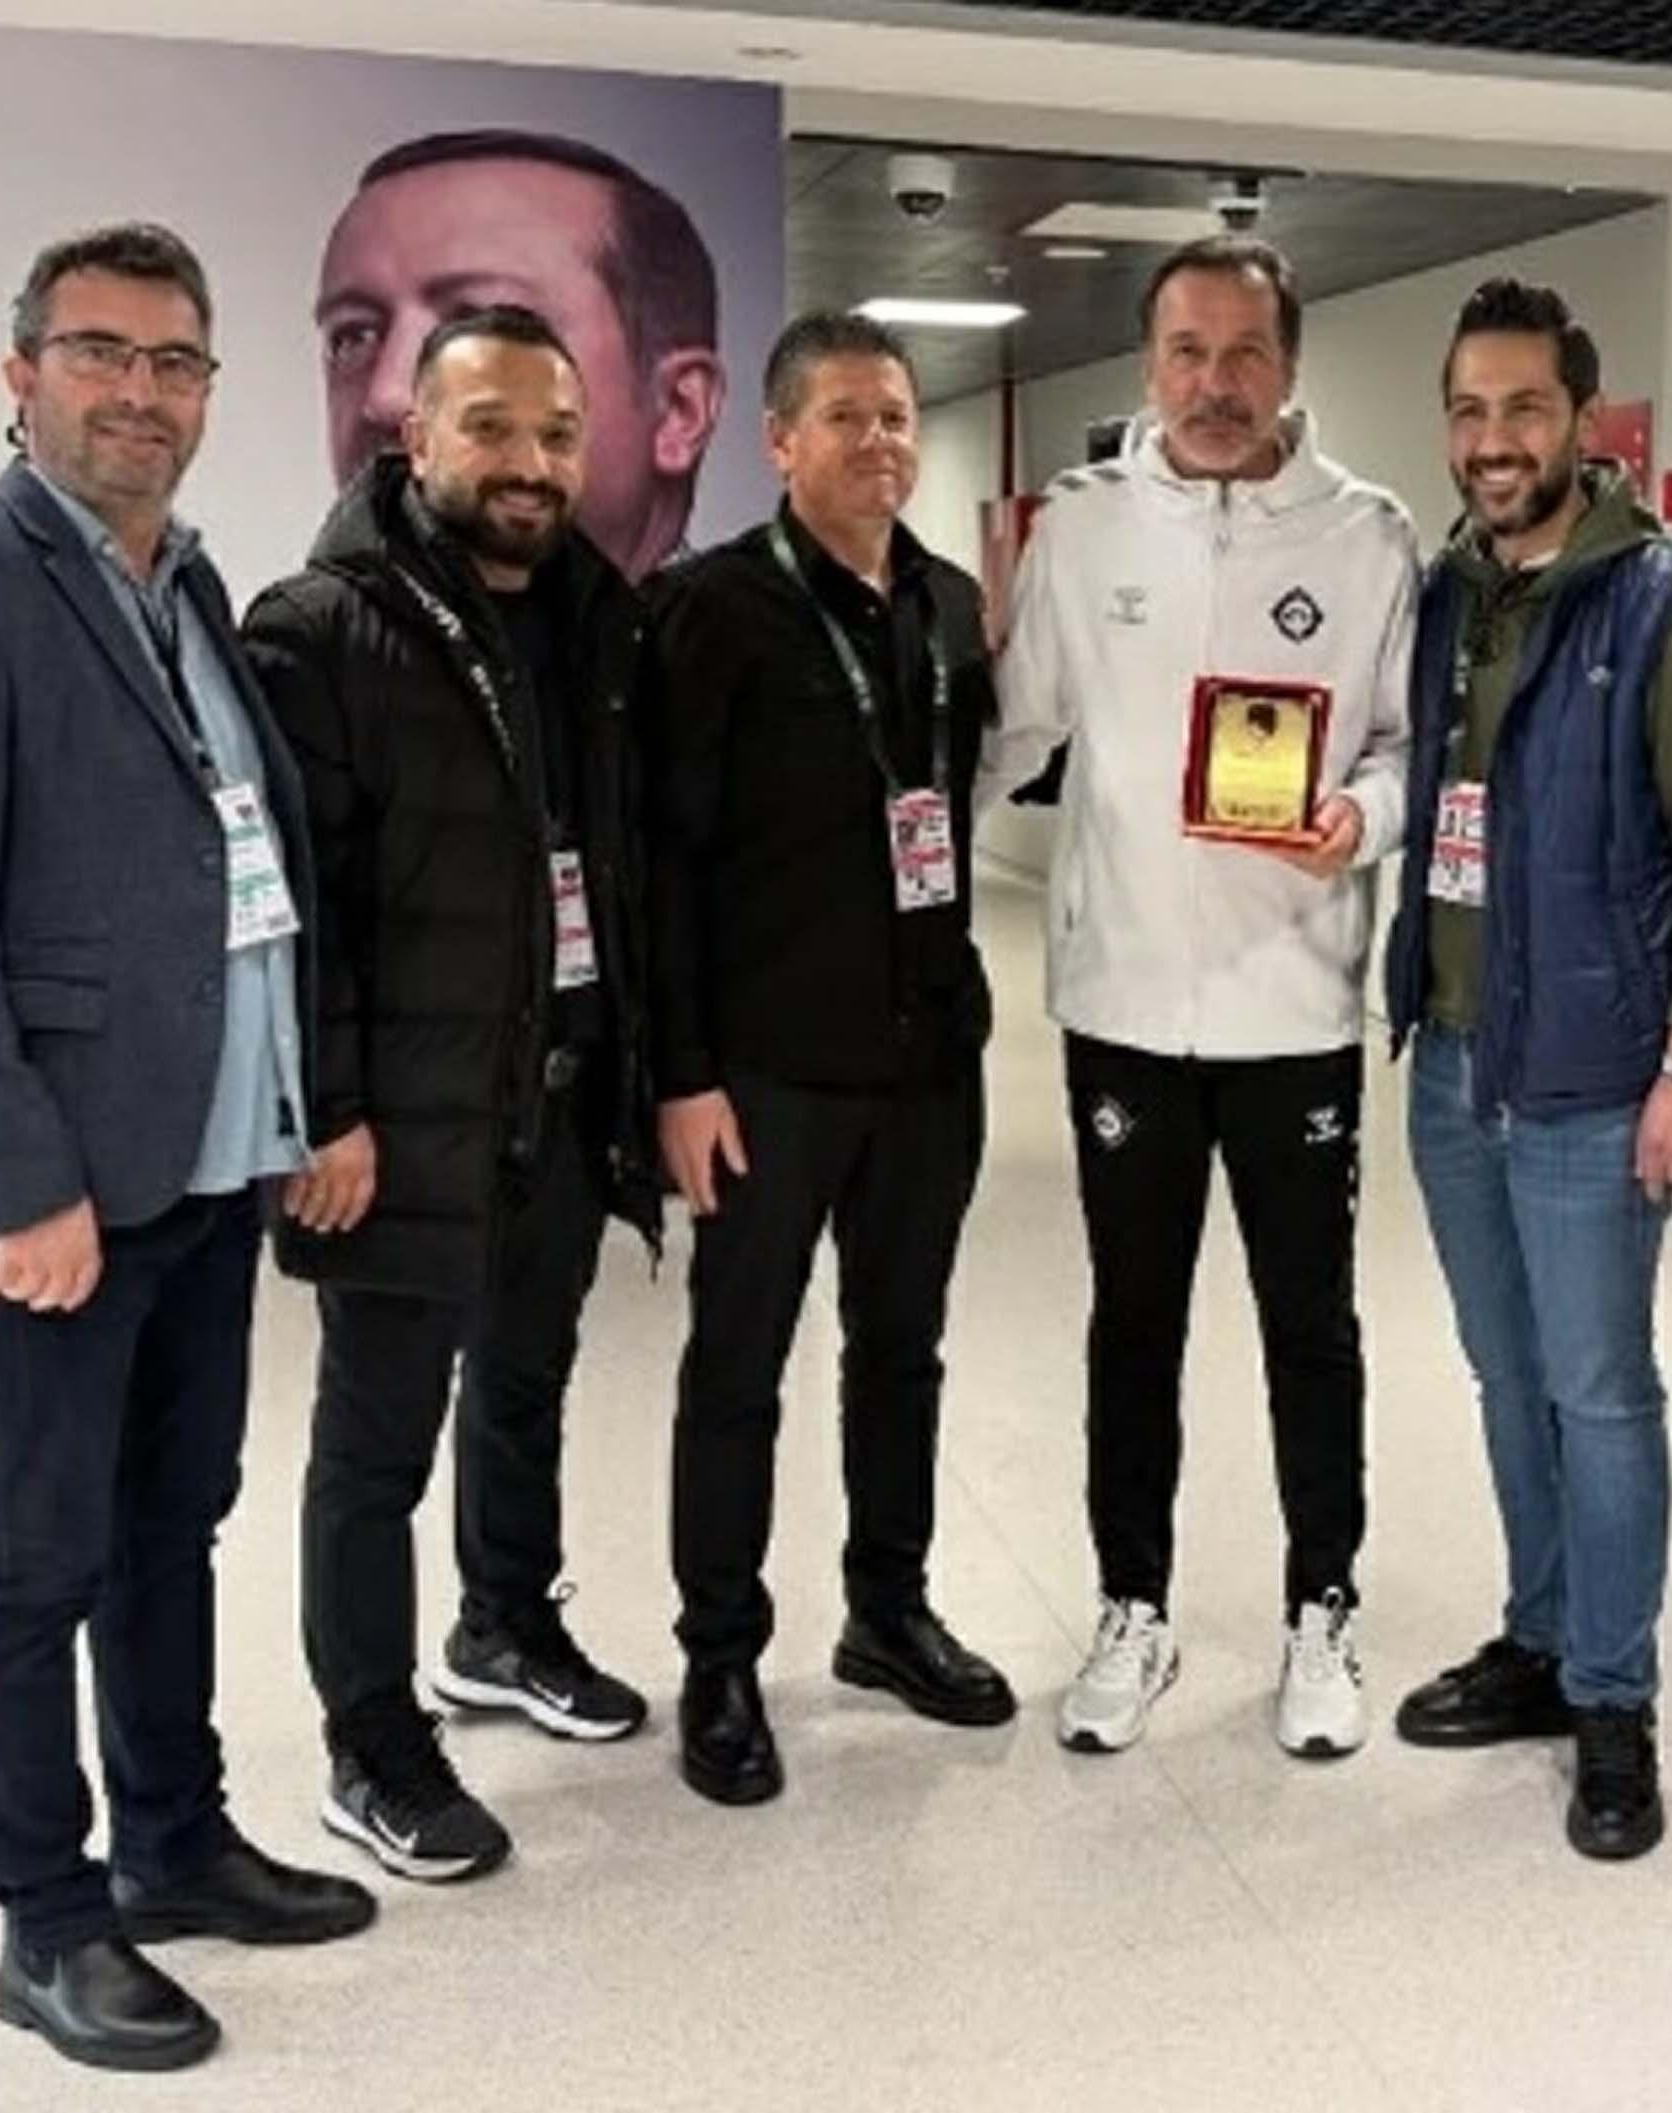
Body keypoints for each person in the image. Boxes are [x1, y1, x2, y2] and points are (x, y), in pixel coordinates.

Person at [0, 223, 372, 2075]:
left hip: (200, 1173)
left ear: (208, 391)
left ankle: (174, 1840)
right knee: (34, 1561)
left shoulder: (189, 583)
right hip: (44, 1203)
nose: (140, 392)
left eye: (174, 362)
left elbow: (241, 875)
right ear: (22, 375)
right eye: (100, 352)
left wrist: (289, 1108)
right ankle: (47, 1922)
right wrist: (23, 1185)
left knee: (169, 1531)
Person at [983, 235, 1418, 1762]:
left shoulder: (1369, 536)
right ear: (1148, 364)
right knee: (1133, 1323)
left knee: (1312, 1326)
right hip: (1121, 1010)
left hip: (1293, 1008)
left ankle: (1323, 1605)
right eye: (1187, 351)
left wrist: (1363, 815)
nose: (1216, 384)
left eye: (1245, 354)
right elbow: (1014, 727)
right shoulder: (1085, 526)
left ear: (1290, 366)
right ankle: (1133, 1607)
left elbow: (1407, 745)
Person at [242, 303, 659, 1884]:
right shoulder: (323, 630)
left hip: (554, 1099)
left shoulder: (599, 621)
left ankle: (504, 1623)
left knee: (527, 1384)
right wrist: (325, 1110)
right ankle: (370, 1740)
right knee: (375, 1445)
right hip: (400, 1122)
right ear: (414, 435)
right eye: (489, 428)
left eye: (556, 433)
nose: (528, 463)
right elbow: (295, 908)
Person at [1382, 280, 1672, 1860]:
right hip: (1457, 1060)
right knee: (1507, 1372)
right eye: (1470, 411)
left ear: (1582, 423)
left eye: (1523, 408)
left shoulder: (1662, 601)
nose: (1493, 439)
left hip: (1598, 1073)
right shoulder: (1448, 596)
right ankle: (1541, 1637)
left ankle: (1614, 1695)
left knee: (1600, 1389)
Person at [647, 312, 1011, 1808]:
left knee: (901, 1349)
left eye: (897, 416)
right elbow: (663, 866)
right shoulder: (710, 610)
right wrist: (682, 1077)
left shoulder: (947, 601)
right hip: (766, 1074)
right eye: (847, 417)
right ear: (781, 440)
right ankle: (721, 1654)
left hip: (927, 1058)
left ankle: (888, 1609)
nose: (879, 442)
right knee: (738, 1365)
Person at [316, 128, 725, 578]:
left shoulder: (736, 620)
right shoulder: (310, 617)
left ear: (679, 411)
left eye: (484, 325)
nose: (386, 397)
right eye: (353, 336)